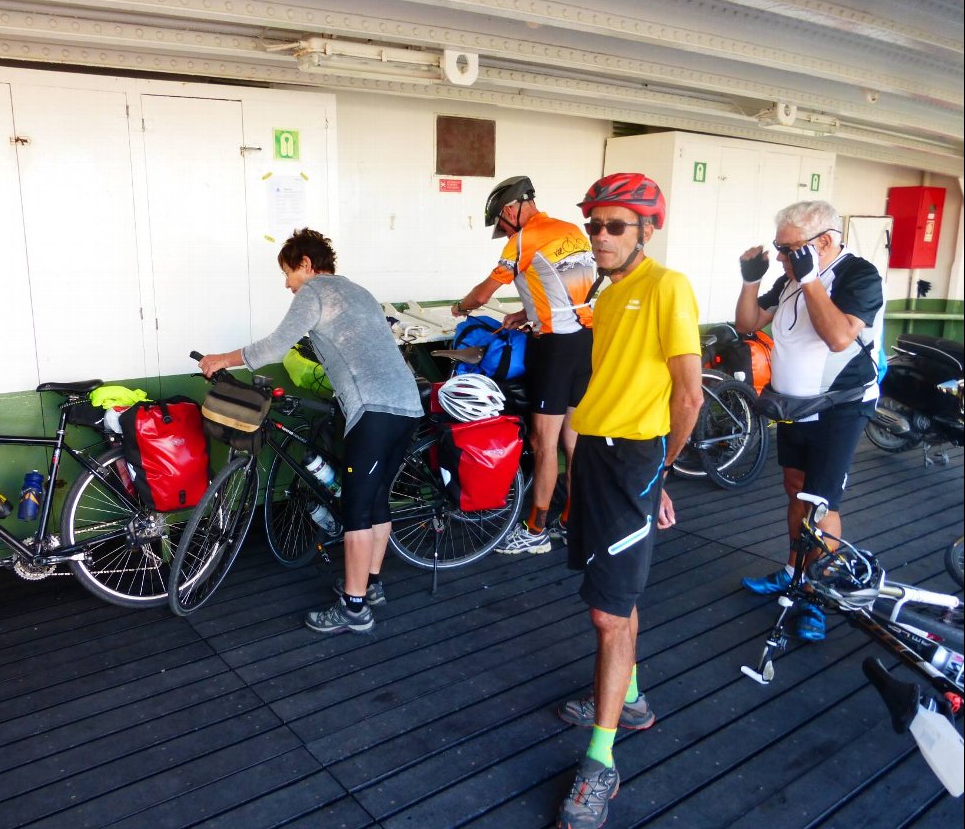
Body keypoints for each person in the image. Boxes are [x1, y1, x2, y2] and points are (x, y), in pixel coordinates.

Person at [555, 173, 703, 829]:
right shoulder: (609, 294)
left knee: (607, 618)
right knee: (618, 598)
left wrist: (660, 471)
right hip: (597, 455)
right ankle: (632, 699)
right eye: (595, 224)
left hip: (634, 458)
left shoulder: (667, 286)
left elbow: (689, 394)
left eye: (616, 225)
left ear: (648, 229)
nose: (601, 236)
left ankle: (600, 760)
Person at [198, 228, 423, 634]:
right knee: (377, 503)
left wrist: (222, 358)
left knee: (356, 511)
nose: (287, 284)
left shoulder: (315, 292)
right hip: (407, 403)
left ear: (306, 264)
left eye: (288, 273)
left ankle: (354, 609)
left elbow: (273, 348)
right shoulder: (358, 291)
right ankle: (369, 586)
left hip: (372, 408)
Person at [736, 200, 883, 642]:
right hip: (794, 406)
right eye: (779, 248)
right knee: (796, 489)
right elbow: (747, 323)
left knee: (822, 505)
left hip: (841, 405)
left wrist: (810, 277)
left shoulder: (860, 275)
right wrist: (752, 279)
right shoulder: (788, 277)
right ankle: (793, 572)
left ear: (822, 242)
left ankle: (816, 594)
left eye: (789, 247)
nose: (782, 256)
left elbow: (839, 337)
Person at [451, 175, 597, 556]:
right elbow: (569, 291)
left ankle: (535, 531)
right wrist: (524, 311)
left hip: (555, 350)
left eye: (501, 223)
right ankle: (571, 519)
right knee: (573, 441)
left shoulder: (524, 239)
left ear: (511, 209)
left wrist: (461, 307)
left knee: (543, 443)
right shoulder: (571, 233)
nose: (503, 231)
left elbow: (484, 292)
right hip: (586, 344)